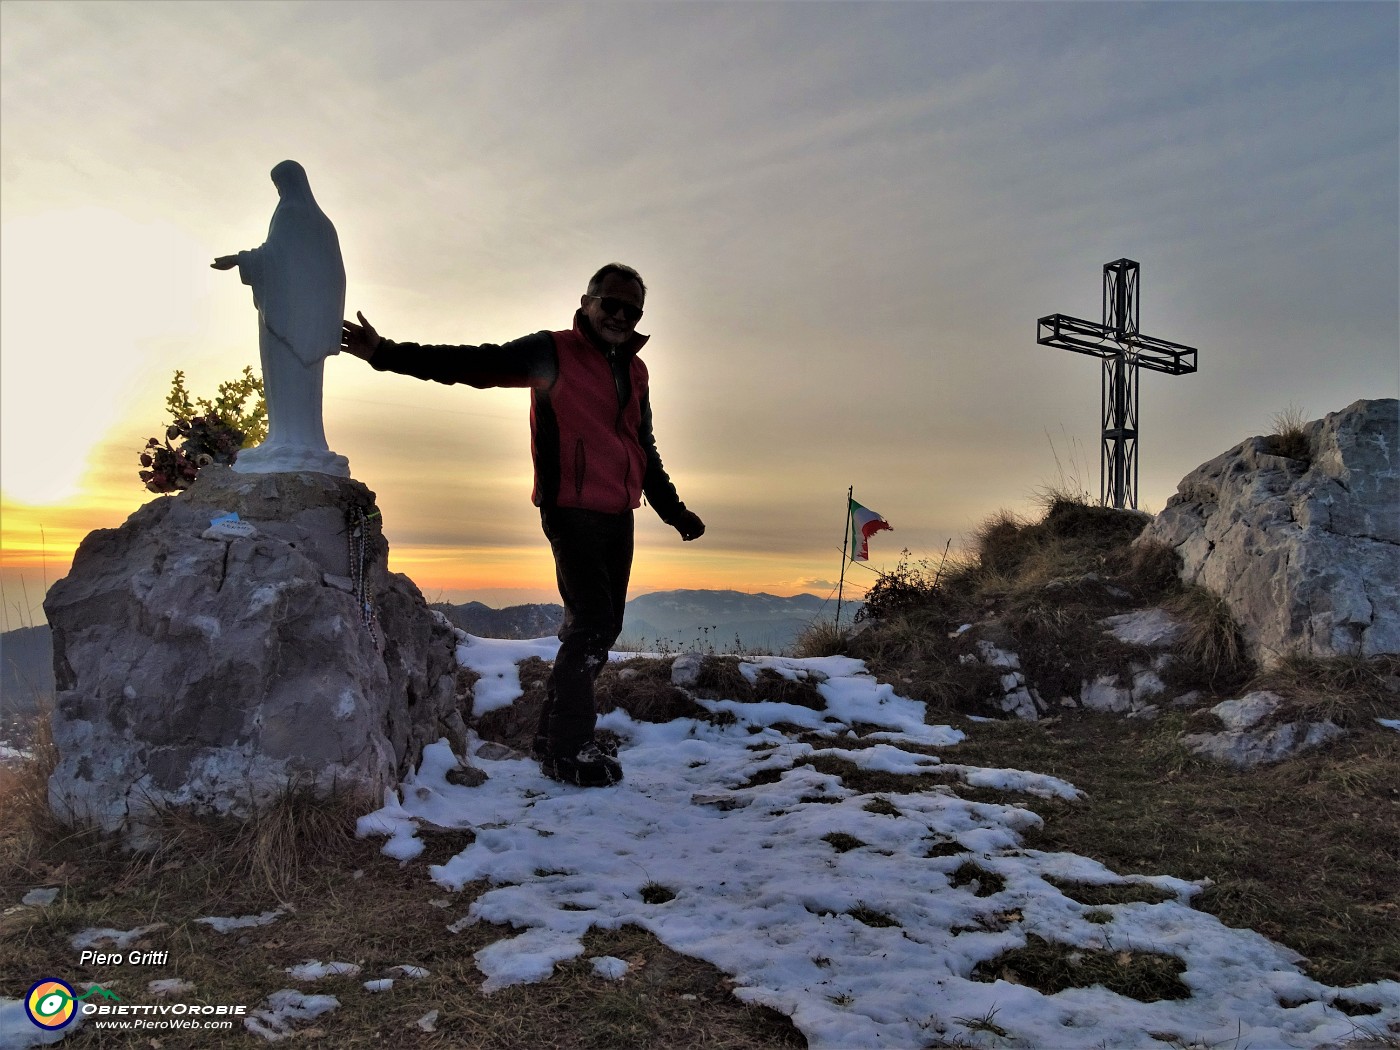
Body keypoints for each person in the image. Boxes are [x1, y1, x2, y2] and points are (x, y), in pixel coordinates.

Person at [341, 263, 704, 787]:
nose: (621, 316)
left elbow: (641, 447)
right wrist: (385, 353)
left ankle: (552, 737)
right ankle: (568, 748)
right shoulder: (552, 351)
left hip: (618, 515)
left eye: (633, 310)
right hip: (569, 507)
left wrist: (674, 511)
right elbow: (473, 364)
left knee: (596, 627)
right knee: (595, 625)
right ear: (587, 302)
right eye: (611, 304)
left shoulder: (636, 370)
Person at [212, 159, 349, 477]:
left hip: (287, 318)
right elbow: (332, 275)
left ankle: (289, 438)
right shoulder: (323, 224)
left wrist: (238, 259)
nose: (278, 191)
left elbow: (275, 257)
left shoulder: (289, 213)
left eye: (278, 185)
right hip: (306, 320)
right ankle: (296, 439)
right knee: (301, 383)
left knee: (286, 377)